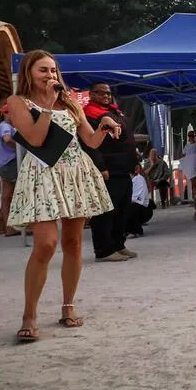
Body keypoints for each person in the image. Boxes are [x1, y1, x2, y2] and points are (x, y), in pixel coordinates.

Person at [7, 50, 118, 343]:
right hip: (42, 173)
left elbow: (90, 140)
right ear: (29, 72)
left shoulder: (70, 103)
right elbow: (35, 139)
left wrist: (105, 125)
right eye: (43, 71)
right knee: (45, 244)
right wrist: (45, 105)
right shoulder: (18, 102)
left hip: (75, 172)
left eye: (54, 71)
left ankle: (68, 305)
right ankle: (29, 314)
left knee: (74, 243)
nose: (51, 77)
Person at [83, 82, 139, 262]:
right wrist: (100, 167)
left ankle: (118, 244)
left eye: (108, 93)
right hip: (108, 169)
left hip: (123, 168)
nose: (106, 96)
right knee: (105, 212)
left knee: (122, 211)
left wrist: (134, 162)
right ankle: (104, 250)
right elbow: (89, 144)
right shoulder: (89, 114)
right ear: (91, 94)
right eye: (101, 93)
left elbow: (127, 140)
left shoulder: (115, 112)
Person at [0, 97, 22, 235]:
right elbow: (7, 140)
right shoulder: (5, 126)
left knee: (6, 196)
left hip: (5, 163)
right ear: (6, 113)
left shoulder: (3, 126)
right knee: (10, 196)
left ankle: (8, 227)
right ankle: (10, 227)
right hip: (11, 162)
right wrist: (21, 147)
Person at [126, 164, 153, 238]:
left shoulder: (139, 179)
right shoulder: (128, 181)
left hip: (144, 209)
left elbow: (136, 199)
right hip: (135, 205)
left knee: (131, 207)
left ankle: (136, 231)